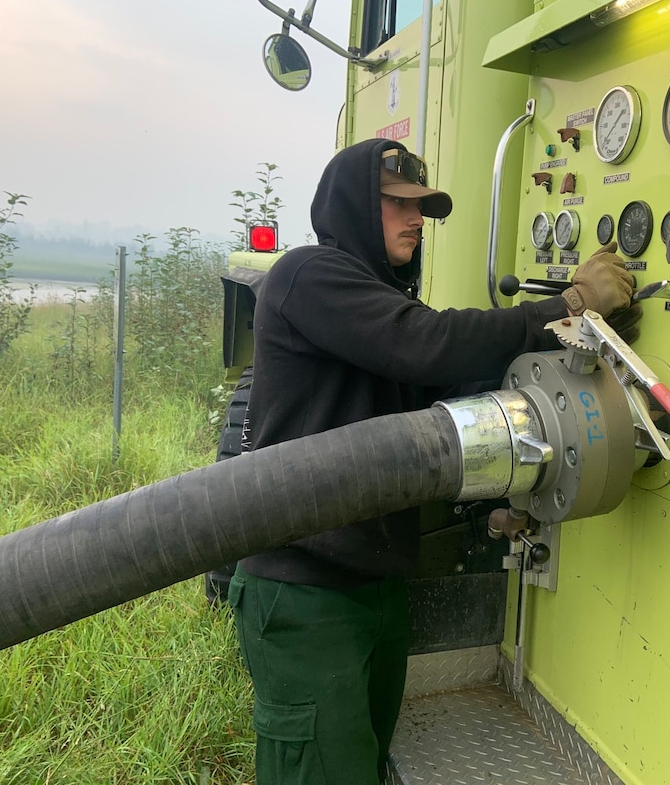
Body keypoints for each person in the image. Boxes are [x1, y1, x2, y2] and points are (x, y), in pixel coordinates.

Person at [227, 137, 639, 784]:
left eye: (422, 208)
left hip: (373, 584)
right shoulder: (309, 276)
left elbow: (442, 414)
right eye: (397, 204)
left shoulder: (378, 304)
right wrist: (568, 305)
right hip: (305, 590)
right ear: (355, 207)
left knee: (362, 767)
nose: (416, 219)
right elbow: (430, 346)